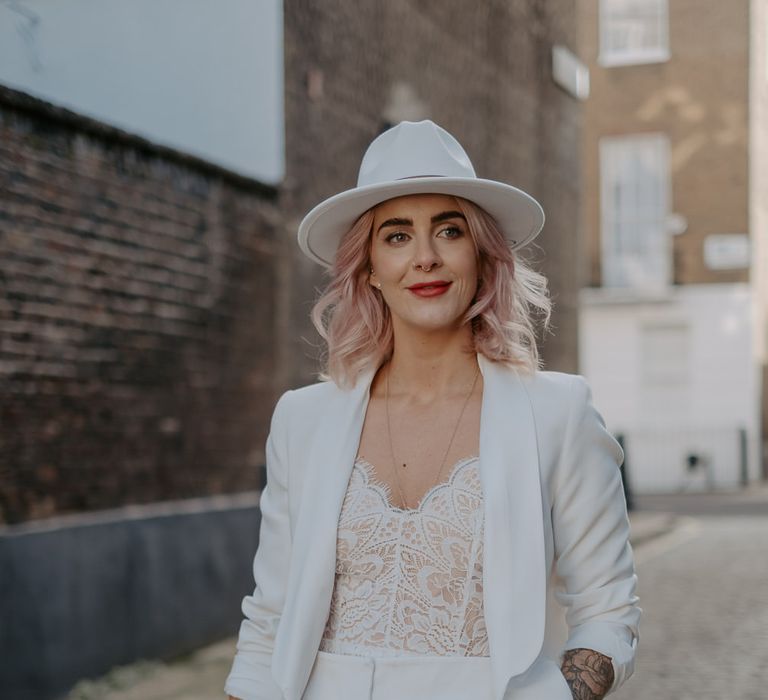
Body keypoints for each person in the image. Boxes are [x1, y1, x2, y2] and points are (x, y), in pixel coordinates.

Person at [225, 120, 640, 700]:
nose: (424, 258)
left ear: (481, 254)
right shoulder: (303, 420)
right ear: (368, 266)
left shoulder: (558, 414)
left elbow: (608, 609)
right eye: (396, 236)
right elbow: (269, 619)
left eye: (448, 231)